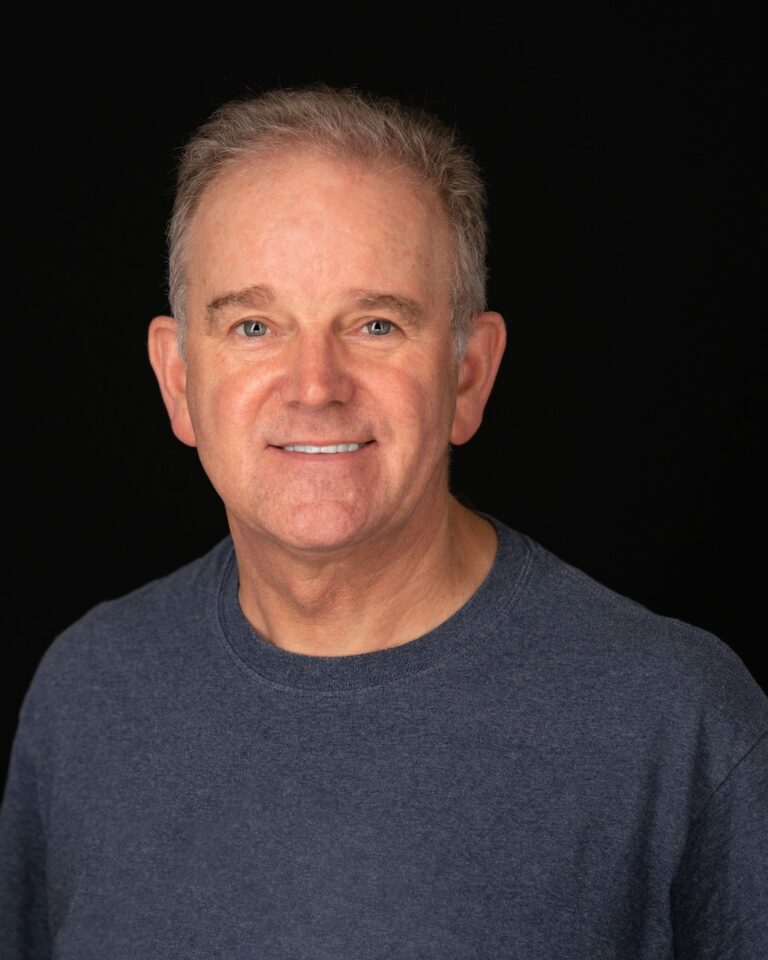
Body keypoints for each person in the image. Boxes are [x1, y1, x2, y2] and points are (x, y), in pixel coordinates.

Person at [1, 86, 765, 959]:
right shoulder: (86, 695)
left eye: (375, 324)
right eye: (254, 325)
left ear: (468, 376)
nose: (315, 384)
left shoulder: (679, 726)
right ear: (178, 382)